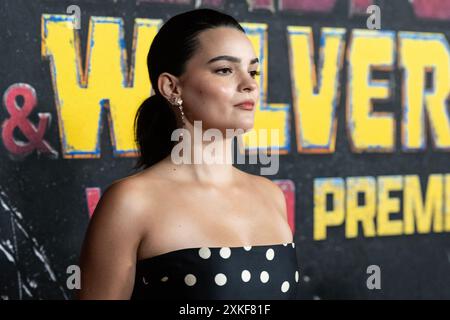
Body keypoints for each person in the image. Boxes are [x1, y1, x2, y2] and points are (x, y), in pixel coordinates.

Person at [77, 8, 299, 300]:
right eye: (225, 70)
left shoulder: (270, 195)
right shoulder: (131, 203)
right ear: (172, 87)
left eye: (253, 70)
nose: (250, 84)